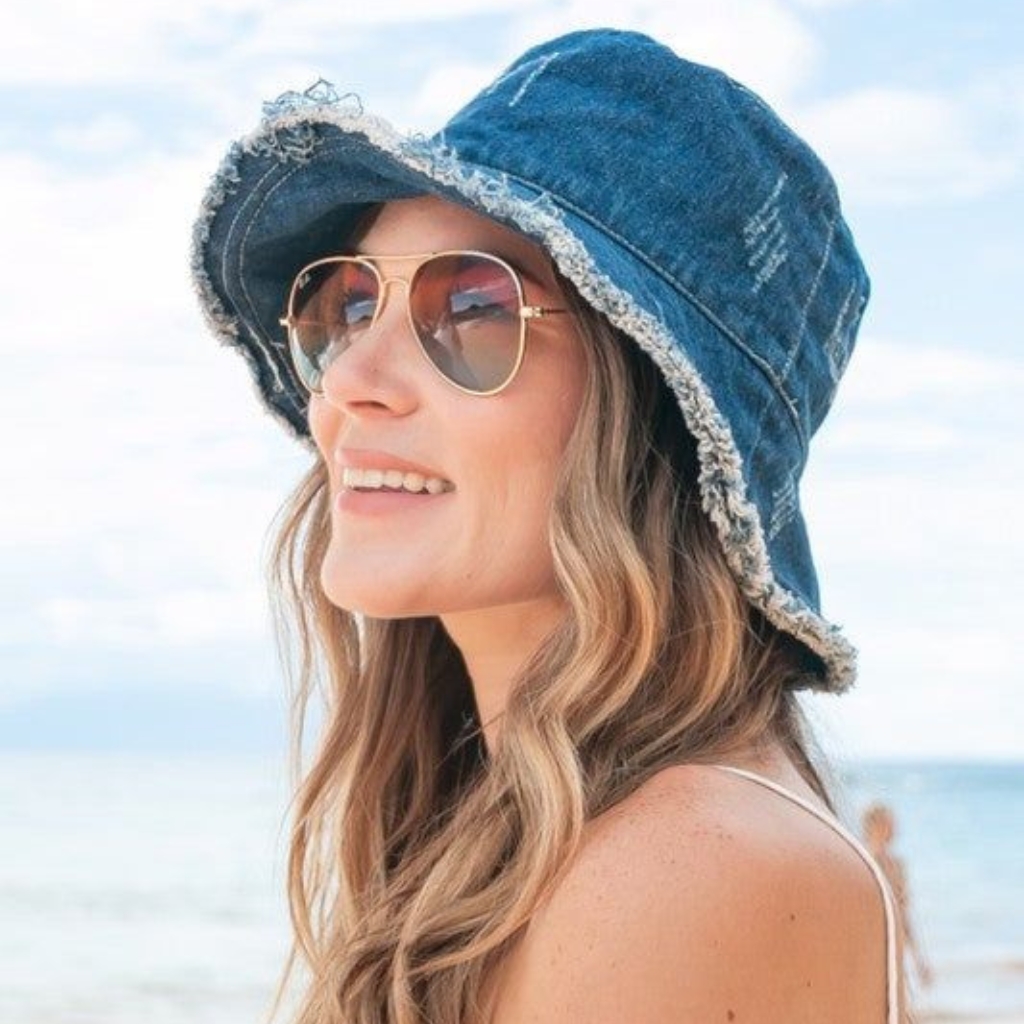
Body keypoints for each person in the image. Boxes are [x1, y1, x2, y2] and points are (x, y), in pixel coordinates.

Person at [192, 28, 903, 1024]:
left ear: (651, 414)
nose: (349, 380)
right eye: (350, 302)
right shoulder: (527, 836)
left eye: (473, 305)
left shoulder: (687, 865)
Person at [863, 802, 934, 993]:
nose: (895, 829)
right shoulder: (863, 862)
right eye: (889, 823)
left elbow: (905, 915)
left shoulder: (898, 865)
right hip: (871, 951)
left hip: (895, 950)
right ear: (873, 826)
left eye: (894, 824)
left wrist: (919, 960)